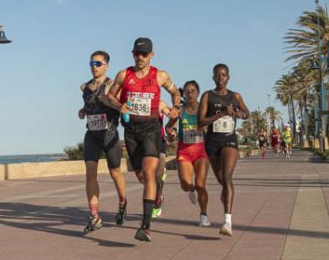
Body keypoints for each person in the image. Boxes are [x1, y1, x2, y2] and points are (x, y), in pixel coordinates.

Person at [105, 37, 181, 242]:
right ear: (132, 54)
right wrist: (118, 106)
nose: (140, 57)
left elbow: (175, 92)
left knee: (148, 172)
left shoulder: (161, 76)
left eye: (144, 54)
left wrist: (175, 108)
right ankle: (157, 195)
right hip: (131, 132)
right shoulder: (124, 75)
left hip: (151, 129)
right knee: (141, 176)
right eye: (136, 54)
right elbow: (110, 96)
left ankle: (145, 227)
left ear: (151, 55)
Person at [77, 51, 127, 233]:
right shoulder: (85, 87)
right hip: (92, 134)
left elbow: (119, 104)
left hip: (109, 134)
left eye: (98, 63)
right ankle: (94, 215)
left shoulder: (112, 85)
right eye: (92, 63)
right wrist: (83, 111)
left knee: (115, 172)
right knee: (90, 174)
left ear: (106, 66)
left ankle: (122, 202)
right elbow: (88, 104)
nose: (94, 67)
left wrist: (111, 101)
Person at [199, 64, 250, 236]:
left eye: (223, 75)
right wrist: (220, 114)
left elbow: (246, 113)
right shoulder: (208, 96)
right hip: (212, 141)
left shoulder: (235, 96)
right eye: (217, 75)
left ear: (228, 77)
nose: (220, 78)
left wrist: (236, 113)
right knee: (222, 179)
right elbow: (201, 122)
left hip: (229, 139)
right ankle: (226, 194)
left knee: (227, 177)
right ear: (213, 77)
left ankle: (227, 221)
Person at [166, 80, 211, 227]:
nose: (190, 93)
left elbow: (212, 125)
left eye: (193, 90)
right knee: (186, 184)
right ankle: (191, 190)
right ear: (183, 94)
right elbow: (168, 127)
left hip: (201, 151)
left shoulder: (203, 109)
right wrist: (171, 133)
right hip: (184, 151)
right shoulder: (180, 110)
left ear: (198, 93)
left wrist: (207, 130)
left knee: (200, 184)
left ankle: (203, 215)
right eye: (187, 91)